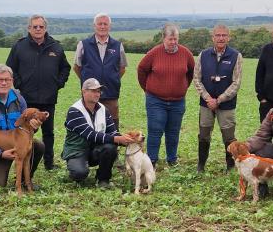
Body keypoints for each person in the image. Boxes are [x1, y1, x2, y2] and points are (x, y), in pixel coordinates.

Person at [6, 14, 71, 170]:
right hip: (26, 99)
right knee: (25, 132)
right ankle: (25, 161)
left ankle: (49, 163)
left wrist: (58, 84)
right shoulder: (20, 46)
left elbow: (65, 68)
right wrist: (20, 84)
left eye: (41, 26)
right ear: (29, 28)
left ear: (45, 28)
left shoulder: (55, 46)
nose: (38, 29)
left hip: (48, 99)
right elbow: (10, 69)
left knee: (48, 133)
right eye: (34, 26)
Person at [0, 64, 45, 188]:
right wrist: (0, 153)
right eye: (0, 80)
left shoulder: (19, 99)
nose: (3, 83)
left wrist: (35, 126)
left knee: (38, 145)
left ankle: (24, 180)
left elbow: (27, 126)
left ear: (12, 81)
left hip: (17, 143)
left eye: (7, 80)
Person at [137, 23, 195, 167]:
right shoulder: (154, 53)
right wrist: (148, 89)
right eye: (170, 39)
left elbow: (191, 73)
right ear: (163, 38)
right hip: (156, 100)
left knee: (173, 132)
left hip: (178, 101)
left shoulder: (186, 53)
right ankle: (151, 161)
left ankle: (172, 159)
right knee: (155, 130)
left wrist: (181, 88)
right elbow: (141, 69)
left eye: (176, 39)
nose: (173, 42)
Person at [61, 78, 133, 188]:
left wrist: (127, 139)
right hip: (77, 150)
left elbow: (112, 132)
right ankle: (74, 171)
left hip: (94, 150)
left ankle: (103, 180)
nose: (97, 94)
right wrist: (117, 139)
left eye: (99, 91)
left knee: (110, 148)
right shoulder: (74, 111)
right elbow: (90, 134)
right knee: (80, 173)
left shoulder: (104, 109)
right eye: (94, 91)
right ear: (84, 91)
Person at [192, 24, 243, 173]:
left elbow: (236, 82)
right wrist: (208, 98)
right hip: (206, 104)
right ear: (212, 37)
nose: (221, 38)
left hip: (227, 105)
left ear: (229, 37)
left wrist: (219, 100)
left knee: (229, 136)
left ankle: (230, 166)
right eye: (218, 35)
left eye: (224, 35)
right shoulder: (203, 55)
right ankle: (201, 165)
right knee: (203, 135)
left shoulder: (236, 56)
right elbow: (196, 78)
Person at [73, 13, 128, 129]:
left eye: (105, 24)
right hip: (89, 94)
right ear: (94, 26)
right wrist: (89, 83)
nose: (102, 27)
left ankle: (112, 147)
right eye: (100, 24)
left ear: (109, 26)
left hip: (111, 93)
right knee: (89, 124)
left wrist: (111, 79)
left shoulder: (118, 46)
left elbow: (122, 68)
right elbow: (77, 68)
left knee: (111, 125)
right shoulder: (83, 44)